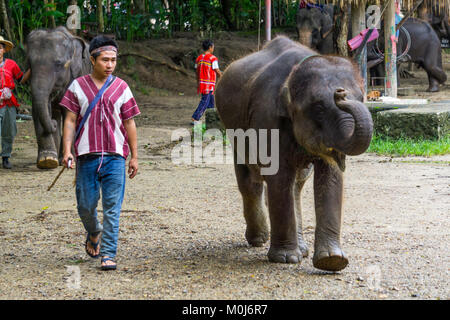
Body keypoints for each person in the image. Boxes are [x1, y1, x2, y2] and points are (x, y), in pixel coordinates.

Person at [60, 35, 140, 271]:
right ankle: (94, 230)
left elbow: (130, 123)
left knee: (113, 207)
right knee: (85, 206)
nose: (110, 65)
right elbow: (70, 120)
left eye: (113, 60)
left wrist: (134, 156)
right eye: (105, 60)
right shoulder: (77, 86)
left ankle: (108, 253)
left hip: (116, 156)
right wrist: (67, 151)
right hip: (86, 156)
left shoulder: (122, 87)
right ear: (92, 60)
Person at [0, 36, 31, 169]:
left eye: (0, 47)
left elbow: (21, 79)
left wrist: (32, 68)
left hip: (8, 103)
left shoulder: (11, 64)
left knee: (9, 129)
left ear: (4, 50)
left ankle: (6, 157)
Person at [191, 39, 222, 124]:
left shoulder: (199, 58)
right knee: (205, 101)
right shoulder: (213, 58)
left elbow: (196, 69)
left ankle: (211, 118)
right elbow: (216, 69)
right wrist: (222, 76)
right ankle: (195, 117)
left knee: (211, 101)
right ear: (210, 47)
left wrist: (198, 81)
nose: (213, 48)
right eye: (213, 47)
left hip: (202, 82)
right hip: (209, 83)